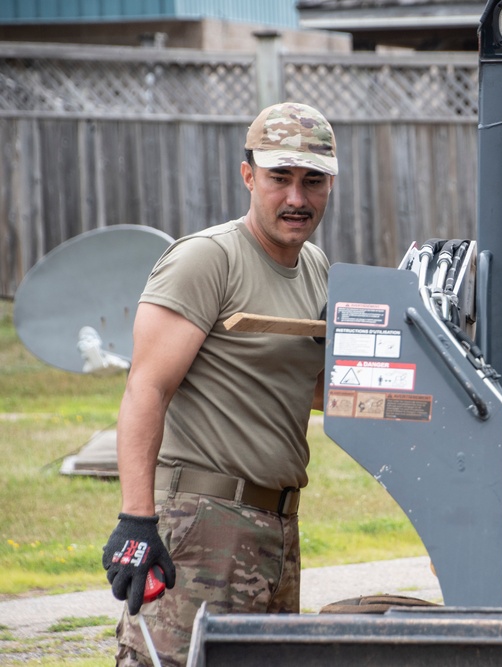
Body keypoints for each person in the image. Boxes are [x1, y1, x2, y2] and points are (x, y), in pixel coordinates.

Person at [102, 101, 339, 666]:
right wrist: (137, 522)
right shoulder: (207, 260)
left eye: (313, 181)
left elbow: (309, 388)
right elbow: (146, 389)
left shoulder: (316, 268)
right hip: (202, 522)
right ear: (248, 175)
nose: (296, 199)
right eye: (280, 178)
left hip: (277, 526)